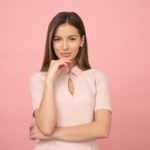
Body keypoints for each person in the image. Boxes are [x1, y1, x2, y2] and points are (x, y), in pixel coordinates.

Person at [29, 11, 112, 150]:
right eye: (57, 39)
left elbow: (102, 129)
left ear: (82, 41)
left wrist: (52, 134)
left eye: (72, 39)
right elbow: (46, 127)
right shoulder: (39, 79)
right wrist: (49, 81)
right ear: (51, 42)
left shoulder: (97, 78)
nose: (64, 47)